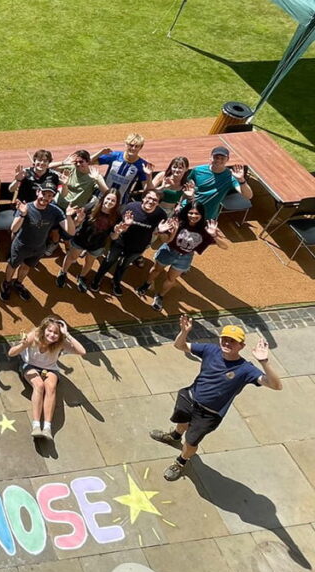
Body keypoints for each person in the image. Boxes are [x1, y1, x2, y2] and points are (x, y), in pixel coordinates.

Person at [151, 316, 281, 481]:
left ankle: (181, 461)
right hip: (190, 397)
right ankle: (175, 436)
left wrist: (264, 363)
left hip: (209, 414)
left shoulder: (246, 369)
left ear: (241, 346)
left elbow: (276, 385)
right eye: (224, 339)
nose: (227, 343)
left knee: (191, 443)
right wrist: (184, 332)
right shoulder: (210, 350)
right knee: (182, 419)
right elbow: (179, 345)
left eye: (232, 341)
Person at [136, 202, 230, 311]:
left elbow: (224, 246)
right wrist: (162, 232)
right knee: (156, 269)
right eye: (190, 213)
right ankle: (147, 284)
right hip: (168, 251)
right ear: (186, 213)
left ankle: (160, 296)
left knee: (171, 278)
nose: (193, 216)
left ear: (202, 215)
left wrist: (213, 235)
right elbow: (165, 240)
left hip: (185, 257)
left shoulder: (206, 228)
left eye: (196, 214)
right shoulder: (177, 222)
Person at [7, 317, 86, 441]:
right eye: (49, 331)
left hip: (50, 369)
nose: (52, 335)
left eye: (56, 333)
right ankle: (36, 425)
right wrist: (22, 344)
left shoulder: (61, 342)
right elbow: (11, 353)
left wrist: (67, 334)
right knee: (39, 386)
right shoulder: (33, 336)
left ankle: (47, 428)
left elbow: (82, 351)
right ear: (44, 329)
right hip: (30, 365)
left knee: (51, 388)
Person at [88, 188, 173, 296]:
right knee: (109, 261)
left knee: (124, 266)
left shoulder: (161, 215)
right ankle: (97, 279)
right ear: (143, 198)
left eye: (155, 200)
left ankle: (116, 282)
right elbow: (116, 225)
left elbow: (165, 239)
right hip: (120, 242)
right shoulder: (130, 207)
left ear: (158, 203)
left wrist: (161, 232)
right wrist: (124, 226)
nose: (151, 201)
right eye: (149, 198)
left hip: (138, 247)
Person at [0, 183, 76, 302]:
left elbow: (70, 231)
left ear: (53, 197)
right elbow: (14, 229)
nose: (45, 198)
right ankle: (7, 283)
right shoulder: (26, 208)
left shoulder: (55, 211)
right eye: (43, 193)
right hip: (21, 245)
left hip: (39, 247)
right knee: (13, 265)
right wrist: (23, 214)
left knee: (26, 267)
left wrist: (69, 216)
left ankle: (18, 283)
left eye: (50, 195)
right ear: (37, 192)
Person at [58, 189, 120, 292]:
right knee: (71, 256)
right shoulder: (91, 207)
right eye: (108, 198)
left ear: (117, 203)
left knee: (89, 262)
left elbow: (113, 237)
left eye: (113, 201)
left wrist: (117, 232)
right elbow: (76, 224)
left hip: (97, 245)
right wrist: (78, 220)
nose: (109, 202)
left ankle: (81, 277)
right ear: (103, 198)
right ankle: (63, 272)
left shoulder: (117, 217)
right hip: (81, 239)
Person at [184, 146, 251, 220]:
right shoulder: (198, 170)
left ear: (227, 159)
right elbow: (187, 184)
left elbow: (248, 196)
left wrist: (241, 180)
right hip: (188, 209)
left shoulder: (230, 177)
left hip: (208, 215)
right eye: (216, 157)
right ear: (211, 157)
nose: (218, 160)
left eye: (222, 158)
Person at [91, 133, 155, 204]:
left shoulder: (142, 165)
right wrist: (100, 153)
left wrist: (149, 176)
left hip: (120, 202)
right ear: (126, 144)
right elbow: (89, 162)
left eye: (136, 146)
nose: (133, 148)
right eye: (131, 145)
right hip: (101, 197)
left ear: (141, 147)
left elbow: (148, 191)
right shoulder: (115, 156)